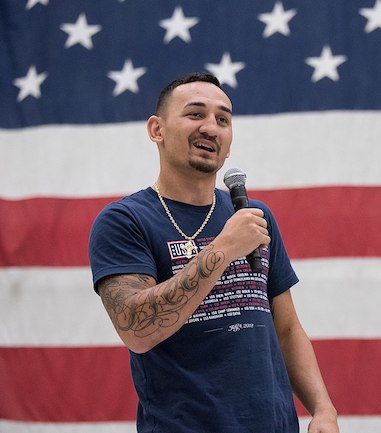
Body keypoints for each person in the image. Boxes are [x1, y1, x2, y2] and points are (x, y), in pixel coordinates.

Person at [88, 72, 339, 433]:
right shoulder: (125, 220)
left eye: (223, 119)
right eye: (195, 114)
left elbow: (286, 328)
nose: (211, 127)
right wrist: (222, 248)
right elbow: (136, 330)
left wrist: (323, 408)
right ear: (156, 130)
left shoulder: (253, 216)